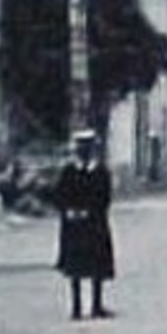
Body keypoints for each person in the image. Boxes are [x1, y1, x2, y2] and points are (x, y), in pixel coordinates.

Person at [54, 131, 114, 321]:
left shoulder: (100, 171)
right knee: (75, 267)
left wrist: (91, 211)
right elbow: (60, 195)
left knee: (97, 264)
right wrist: (69, 211)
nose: (84, 151)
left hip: (94, 224)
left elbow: (105, 197)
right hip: (74, 226)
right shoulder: (68, 171)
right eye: (81, 147)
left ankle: (97, 305)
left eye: (88, 147)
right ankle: (76, 307)